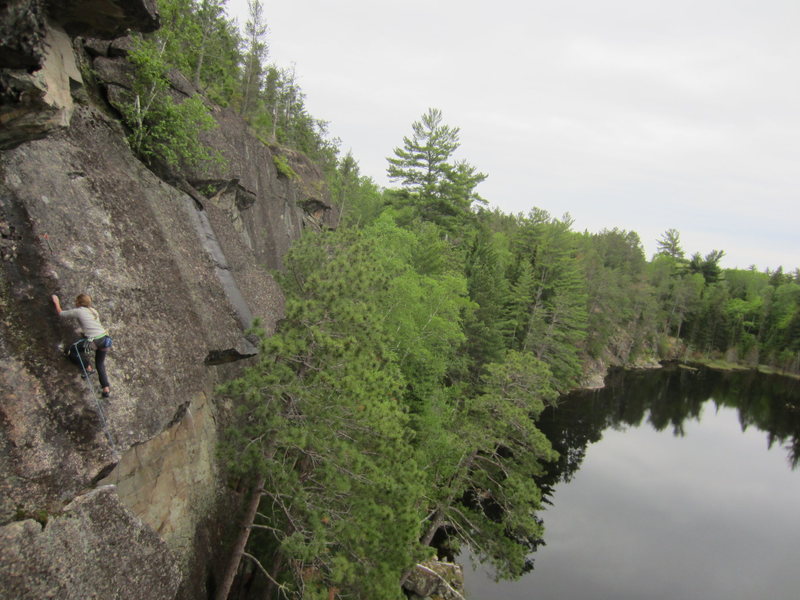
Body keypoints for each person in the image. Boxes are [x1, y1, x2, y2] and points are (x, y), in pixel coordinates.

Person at [52, 293, 113, 398]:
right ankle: (106, 389)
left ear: (79, 302)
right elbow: (92, 326)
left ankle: (87, 367)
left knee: (72, 350)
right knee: (100, 364)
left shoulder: (79, 311)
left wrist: (56, 302)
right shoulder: (93, 311)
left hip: (95, 341)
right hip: (106, 340)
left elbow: (61, 313)